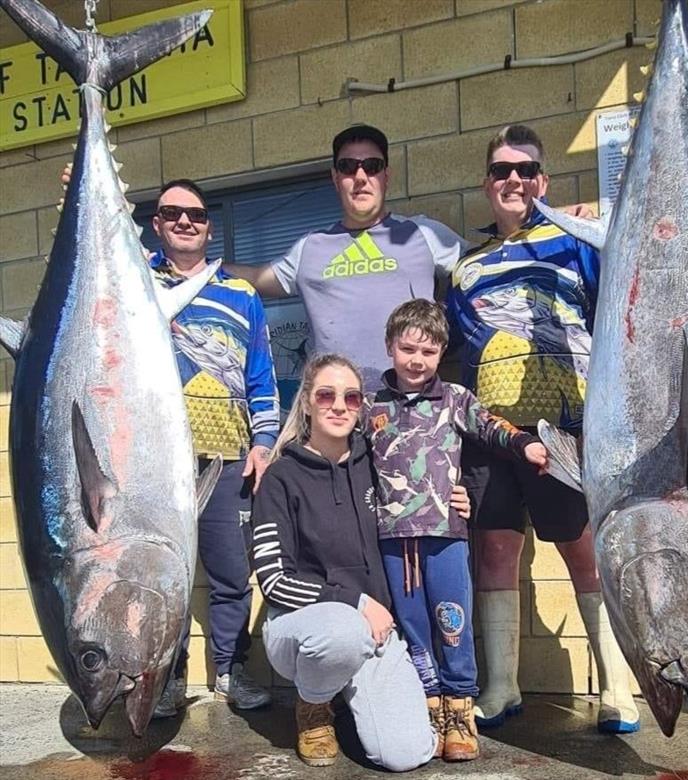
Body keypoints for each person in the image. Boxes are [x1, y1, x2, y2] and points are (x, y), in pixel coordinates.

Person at [447, 125, 640, 734]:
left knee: (583, 550)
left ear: (543, 181)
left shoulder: (577, 240)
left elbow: (621, 301)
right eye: (502, 171)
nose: (514, 181)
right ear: (486, 183)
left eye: (526, 171)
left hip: (568, 429)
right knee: (496, 551)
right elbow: (460, 346)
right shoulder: (463, 267)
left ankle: (618, 684)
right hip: (491, 435)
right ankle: (501, 687)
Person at [362, 299, 548, 761]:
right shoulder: (370, 405)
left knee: (452, 622)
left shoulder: (456, 399)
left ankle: (460, 708)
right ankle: (428, 707)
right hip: (393, 539)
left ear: (441, 353)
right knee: (413, 626)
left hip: (446, 534)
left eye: (427, 352)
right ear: (390, 347)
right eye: (407, 349)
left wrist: (525, 445)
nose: (416, 360)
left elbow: (491, 428)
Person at [251, 354, 436, 770]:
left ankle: (351, 698)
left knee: (406, 754)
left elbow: (425, 497)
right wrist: (355, 600)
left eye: (351, 397)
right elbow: (274, 581)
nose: (339, 406)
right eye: (326, 395)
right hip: (305, 630)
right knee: (341, 632)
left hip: (374, 629)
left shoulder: (376, 465)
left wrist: (459, 502)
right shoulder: (280, 479)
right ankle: (314, 705)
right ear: (307, 403)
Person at [149, 179, 279, 715]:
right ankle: (166, 677)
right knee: (164, 576)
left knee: (231, 574)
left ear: (208, 225)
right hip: (156, 462)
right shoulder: (135, 281)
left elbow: (262, 378)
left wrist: (264, 443)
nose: (185, 222)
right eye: (172, 213)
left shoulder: (242, 294)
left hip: (228, 459)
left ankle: (230, 670)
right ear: (156, 224)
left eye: (196, 215)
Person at [226, 124, 470, 391]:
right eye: (348, 167)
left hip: (409, 412)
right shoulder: (310, 248)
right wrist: (199, 269)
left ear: (386, 176)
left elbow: (484, 269)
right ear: (335, 177)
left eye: (372, 166)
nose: (361, 176)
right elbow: (257, 279)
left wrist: (449, 331)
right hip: (335, 411)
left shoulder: (423, 234)